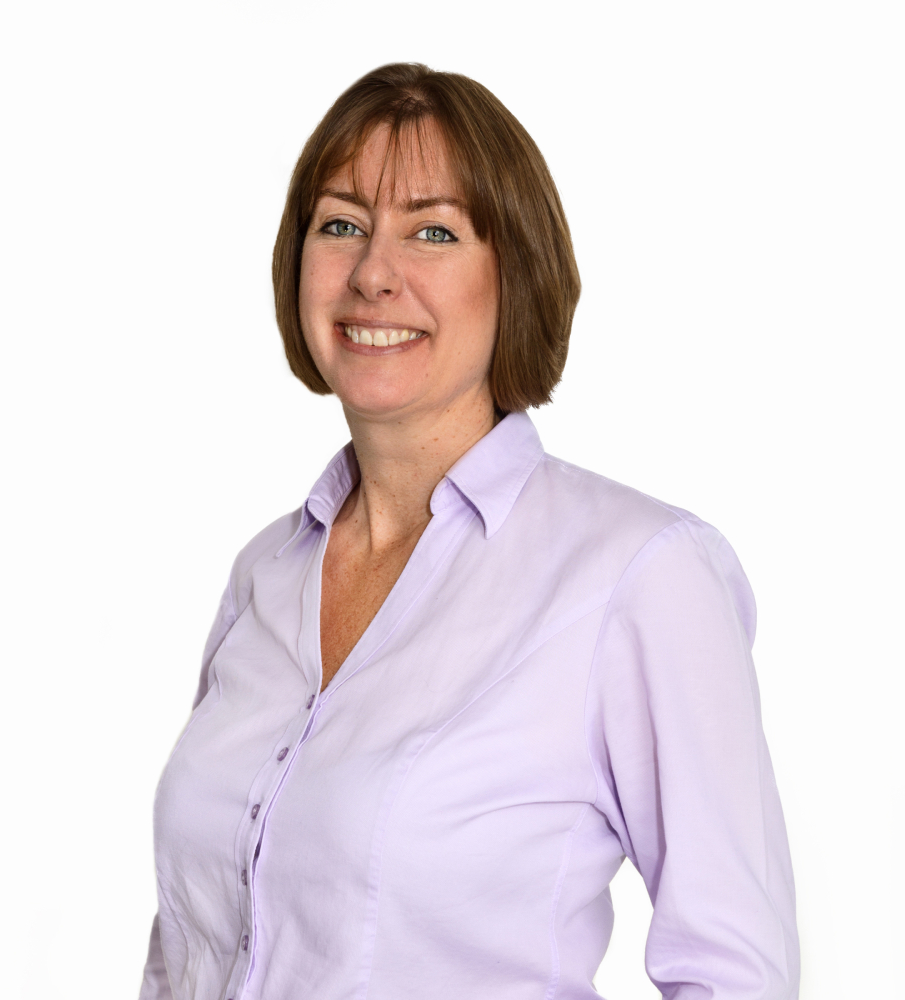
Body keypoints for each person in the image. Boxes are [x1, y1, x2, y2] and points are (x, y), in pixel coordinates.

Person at [139, 63, 798, 1000]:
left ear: (514, 273)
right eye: (341, 224)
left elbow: (738, 974)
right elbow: (186, 948)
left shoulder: (638, 576)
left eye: (433, 231)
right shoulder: (266, 573)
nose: (373, 272)